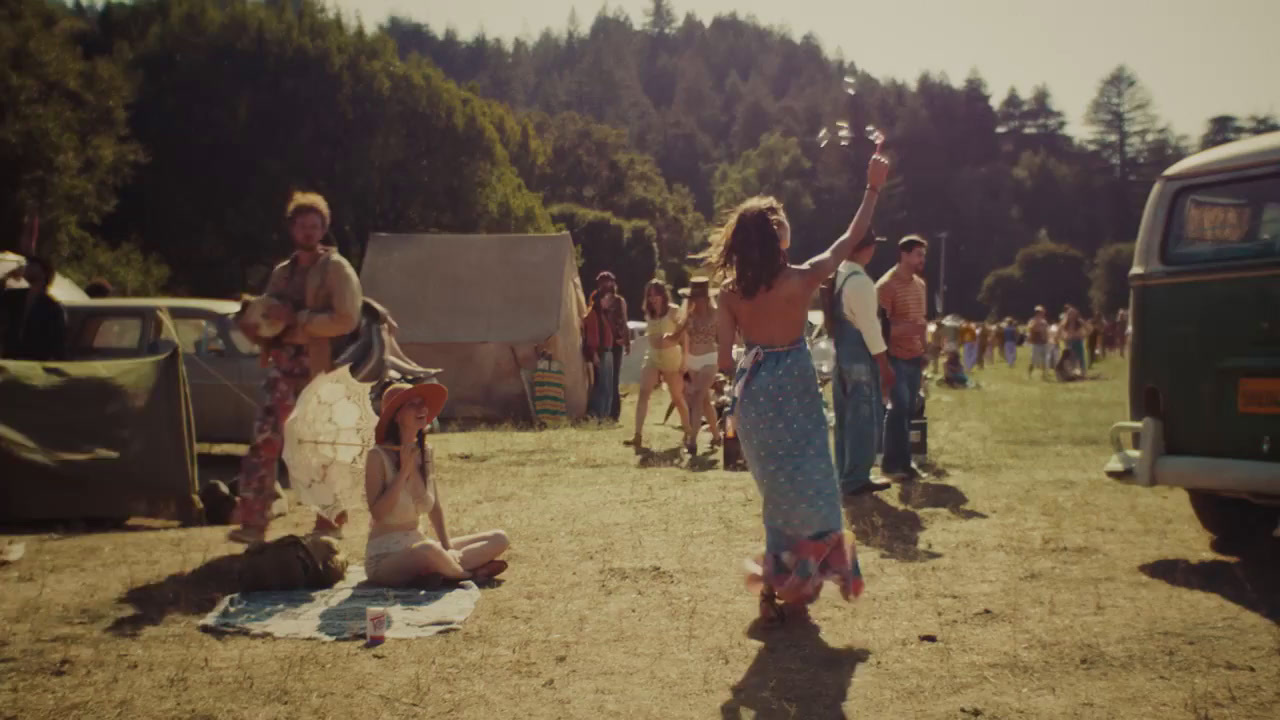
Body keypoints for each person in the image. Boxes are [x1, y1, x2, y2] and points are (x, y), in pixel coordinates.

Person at [715, 148, 889, 622]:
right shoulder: (804, 276)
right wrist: (872, 186)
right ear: (777, 238)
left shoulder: (728, 294)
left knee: (778, 499)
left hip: (755, 400)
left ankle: (776, 589)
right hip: (795, 390)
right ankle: (802, 575)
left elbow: (723, 359)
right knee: (816, 492)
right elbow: (851, 237)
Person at [228, 192, 363, 545]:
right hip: (282, 365)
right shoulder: (282, 273)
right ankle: (254, 522)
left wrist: (300, 319)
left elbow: (347, 318)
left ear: (324, 228)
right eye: (302, 225)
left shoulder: (336, 268)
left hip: (320, 366)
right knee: (264, 441)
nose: (308, 232)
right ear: (292, 228)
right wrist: (257, 326)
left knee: (321, 445)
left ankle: (329, 522)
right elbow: (267, 313)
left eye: (315, 225)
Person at [365, 382, 509, 586]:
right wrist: (404, 471)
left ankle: (441, 570)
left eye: (422, 404)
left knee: (499, 538)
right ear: (396, 415)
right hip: (386, 559)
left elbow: (434, 507)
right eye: (412, 405)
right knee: (428, 551)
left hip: (421, 546)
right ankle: (467, 575)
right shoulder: (377, 456)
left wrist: (447, 546)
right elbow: (378, 513)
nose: (422, 409)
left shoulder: (425, 451)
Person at [829, 227, 894, 497]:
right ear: (863, 249)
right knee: (863, 416)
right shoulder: (862, 282)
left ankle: (843, 473)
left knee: (844, 418)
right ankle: (857, 476)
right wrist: (884, 364)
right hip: (859, 355)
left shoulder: (838, 275)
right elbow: (870, 327)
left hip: (841, 353)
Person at [876, 235, 929, 482]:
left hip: (915, 357)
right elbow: (881, 327)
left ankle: (904, 462)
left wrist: (925, 349)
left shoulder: (920, 285)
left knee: (909, 409)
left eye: (923, 255)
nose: (922, 260)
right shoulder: (886, 286)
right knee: (898, 409)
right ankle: (891, 463)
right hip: (895, 356)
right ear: (904, 254)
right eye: (918, 254)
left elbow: (921, 323)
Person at [631, 279, 695, 453]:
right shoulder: (649, 313)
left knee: (676, 397)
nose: (653, 299)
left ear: (662, 294)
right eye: (650, 295)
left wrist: (685, 360)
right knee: (644, 393)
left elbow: (684, 336)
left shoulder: (673, 311)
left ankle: (688, 431)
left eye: (656, 294)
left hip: (671, 358)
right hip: (652, 356)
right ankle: (637, 435)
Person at [668, 277, 723, 453]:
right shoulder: (688, 317)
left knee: (698, 396)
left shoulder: (716, 314)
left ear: (706, 298)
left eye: (700, 297)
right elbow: (677, 338)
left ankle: (692, 441)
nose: (697, 300)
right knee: (705, 401)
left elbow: (724, 338)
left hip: (710, 359)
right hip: (692, 361)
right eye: (694, 297)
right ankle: (716, 436)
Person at [1, 255, 67, 361]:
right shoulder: (12, 297)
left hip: (34, 366)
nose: (27, 266)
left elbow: (58, 346)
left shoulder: (53, 308)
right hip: (9, 363)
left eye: (33, 263)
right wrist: (6, 277)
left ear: (45, 272)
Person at [594, 272, 631, 421]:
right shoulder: (595, 300)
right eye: (604, 283)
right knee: (600, 378)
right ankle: (601, 410)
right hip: (600, 344)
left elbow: (624, 321)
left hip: (615, 344)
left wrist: (626, 342)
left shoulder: (619, 301)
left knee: (614, 378)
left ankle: (613, 413)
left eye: (610, 283)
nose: (607, 286)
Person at [582, 290, 617, 419]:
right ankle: (598, 415)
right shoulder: (593, 315)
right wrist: (594, 353)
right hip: (601, 353)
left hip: (607, 352)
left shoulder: (603, 314)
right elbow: (592, 337)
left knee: (608, 387)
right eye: (605, 299)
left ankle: (605, 415)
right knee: (602, 386)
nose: (607, 302)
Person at [1027, 306, 1051, 379]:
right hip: (1036, 343)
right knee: (1033, 360)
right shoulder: (1032, 320)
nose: (1043, 313)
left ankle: (1044, 375)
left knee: (1045, 360)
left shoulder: (1044, 321)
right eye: (1041, 312)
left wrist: (1048, 339)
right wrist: (1037, 324)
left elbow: (1047, 331)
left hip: (1044, 343)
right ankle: (1029, 374)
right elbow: (1030, 329)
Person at [1063, 305, 1087, 374]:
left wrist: (1083, 335)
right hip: (1069, 342)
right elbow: (1061, 332)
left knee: (1080, 358)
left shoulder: (1079, 322)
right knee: (1070, 358)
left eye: (1073, 314)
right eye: (1070, 314)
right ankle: (1071, 373)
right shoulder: (1065, 323)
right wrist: (1065, 337)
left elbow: (1089, 329)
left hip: (1078, 341)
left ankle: (1083, 372)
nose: (1072, 316)